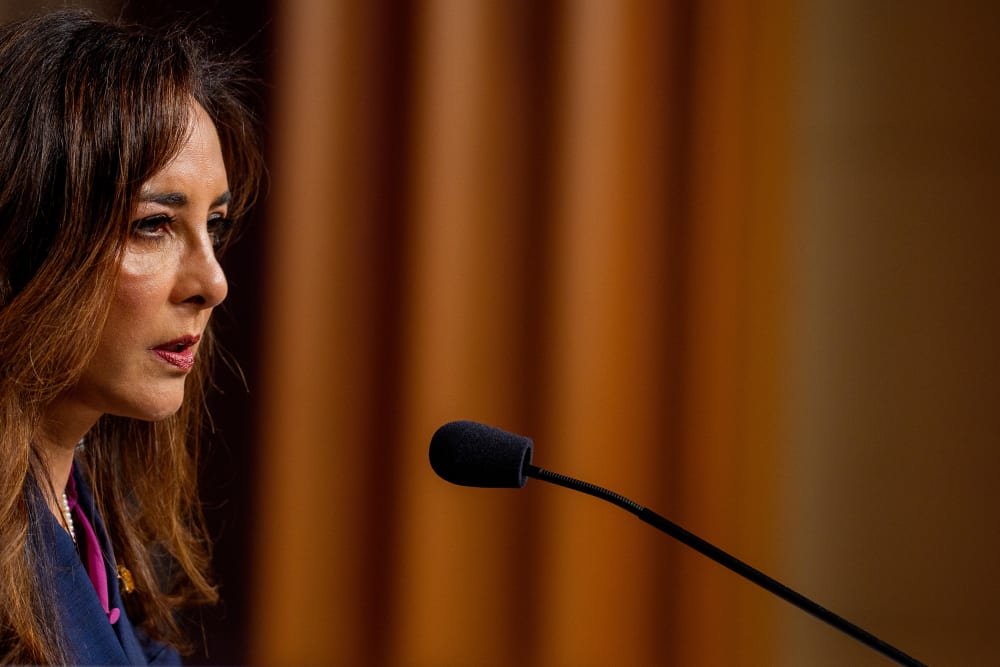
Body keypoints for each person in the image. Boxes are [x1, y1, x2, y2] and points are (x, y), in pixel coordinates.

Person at [0, 9, 262, 664]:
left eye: (216, 226)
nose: (213, 281)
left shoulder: (89, 506)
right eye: (154, 224)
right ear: (34, 235)